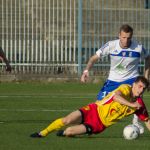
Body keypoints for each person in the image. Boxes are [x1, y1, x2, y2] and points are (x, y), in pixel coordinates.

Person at [80, 24, 150, 133]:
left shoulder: (138, 47)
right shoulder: (111, 45)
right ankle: (86, 122)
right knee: (98, 104)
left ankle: (136, 122)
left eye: (129, 38)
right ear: (119, 36)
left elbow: (148, 59)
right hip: (113, 81)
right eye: (123, 37)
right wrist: (86, 71)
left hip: (131, 80)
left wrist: (146, 78)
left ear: (131, 37)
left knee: (138, 100)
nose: (126, 40)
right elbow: (93, 58)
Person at [30, 76, 150, 138]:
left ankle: (65, 133)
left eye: (143, 88)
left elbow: (147, 120)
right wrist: (131, 104)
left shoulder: (139, 105)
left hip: (99, 124)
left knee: (69, 131)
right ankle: (42, 133)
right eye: (139, 86)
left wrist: (135, 106)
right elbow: (116, 97)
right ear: (134, 84)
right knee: (67, 120)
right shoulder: (125, 88)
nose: (141, 90)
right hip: (94, 109)